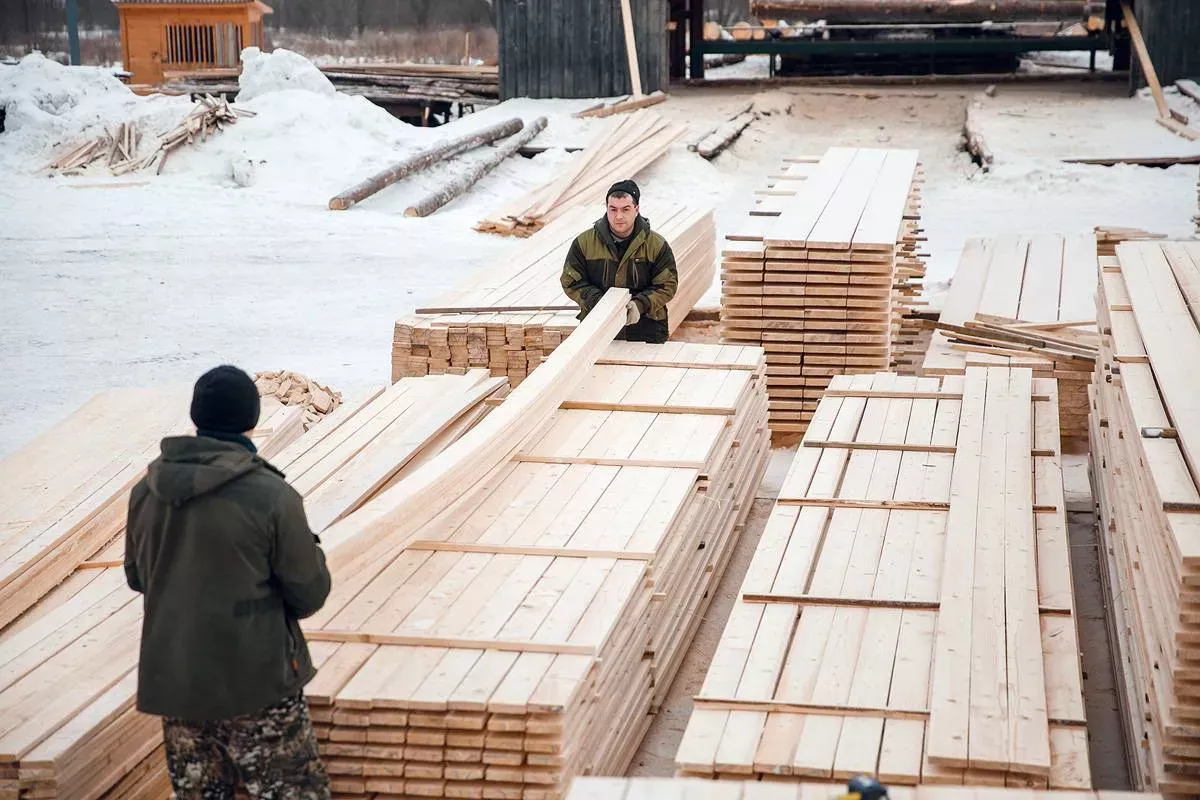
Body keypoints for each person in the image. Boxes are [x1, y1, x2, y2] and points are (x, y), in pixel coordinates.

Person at [124, 365, 332, 800]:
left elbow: (138, 577)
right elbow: (309, 592)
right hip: (256, 681)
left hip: (178, 684)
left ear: (196, 416)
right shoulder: (271, 496)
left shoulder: (147, 491)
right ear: (251, 419)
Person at [560, 179, 679, 344]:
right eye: (613, 209)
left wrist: (640, 305)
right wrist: (598, 303)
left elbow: (667, 285)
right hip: (597, 328)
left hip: (646, 329)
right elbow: (571, 281)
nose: (619, 216)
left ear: (636, 209)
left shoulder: (656, 245)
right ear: (606, 208)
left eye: (625, 209)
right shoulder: (584, 243)